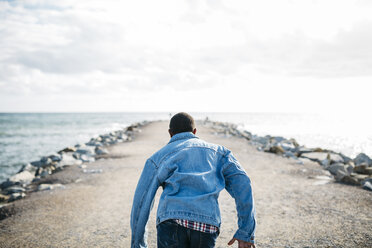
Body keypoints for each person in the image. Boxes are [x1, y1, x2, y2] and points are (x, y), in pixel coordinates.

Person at [130, 112, 256, 248]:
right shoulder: (220, 153)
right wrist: (245, 231)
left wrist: (138, 244)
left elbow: (141, 202)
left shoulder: (158, 157)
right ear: (195, 132)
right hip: (207, 222)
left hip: (171, 220)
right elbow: (243, 185)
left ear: (170, 133)